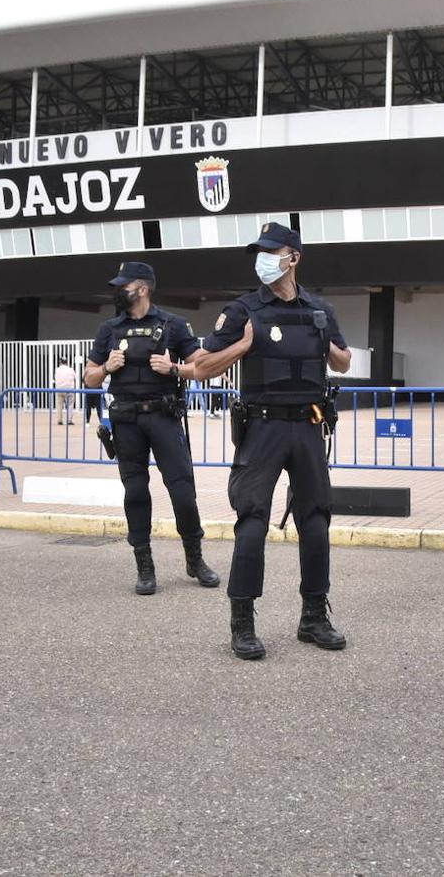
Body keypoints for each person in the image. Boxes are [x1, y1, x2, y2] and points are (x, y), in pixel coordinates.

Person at [178, 222, 351, 661]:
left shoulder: (319, 309)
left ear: (294, 257)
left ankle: (313, 616)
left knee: (315, 521)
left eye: (272, 251)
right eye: (260, 252)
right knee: (252, 520)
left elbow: (345, 361)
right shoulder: (242, 310)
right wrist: (241, 347)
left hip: (309, 426)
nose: (264, 259)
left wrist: (329, 347)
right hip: (264, 427)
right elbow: (198, 366)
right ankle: (242, 621)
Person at [84, 261, 226, 596]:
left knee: (182, 492)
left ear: (143, 288)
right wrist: (106, 367)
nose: (119, 291)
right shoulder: (109, 328)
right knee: (135, 494)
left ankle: (195, 558)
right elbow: (89, 376)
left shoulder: (173, 325)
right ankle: (144, 566)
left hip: (163, 418)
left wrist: (174, 368)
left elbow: (201, 367)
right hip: (126, 422)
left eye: (124, 286)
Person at [54, 357, 78, 426]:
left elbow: (55, 378)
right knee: (70, 404)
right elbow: (75, 378)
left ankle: (59, 420)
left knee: (59, 405)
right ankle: (69, 420)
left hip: (60, 389)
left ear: (60, 362)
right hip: (69, 389)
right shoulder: (71, 370)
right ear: (67, 362)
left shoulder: (57, 370)